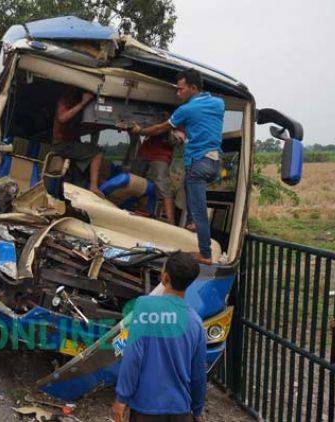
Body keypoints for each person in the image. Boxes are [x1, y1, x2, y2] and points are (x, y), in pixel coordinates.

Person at [129, 69, 224, 264]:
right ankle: (191, 224)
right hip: (214, 163)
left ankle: (205, 254)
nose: (177, 93)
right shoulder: (218, 103)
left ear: (193, 88)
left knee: (199, 212)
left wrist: (140, 130)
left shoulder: (185, 110)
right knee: (188, 186)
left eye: (181, 90)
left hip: (199, 163)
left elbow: (160, 129)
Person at [113, 252, 206, 422]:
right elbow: (198, 373)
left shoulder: (145, 306)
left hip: (146, 409)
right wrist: (197, 410)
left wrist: (122, 398)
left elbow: (133, 356)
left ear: (164, 278)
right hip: (180, 411)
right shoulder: (196, 322)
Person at [130, 111, 183, 224]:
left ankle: (170, 220)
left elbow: (178, 140)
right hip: (144, 153)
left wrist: (166, 125)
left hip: (161, 156)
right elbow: (140, 129)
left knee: (163, 185)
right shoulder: (150, 116)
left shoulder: (179, 118)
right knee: (134, 181)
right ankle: (133, 210)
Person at [51, 86, 105, 197]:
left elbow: (81, 129)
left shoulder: (79, 109)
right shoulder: (66, 100)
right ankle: (93, 187)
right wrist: (82, 103)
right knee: (97, 153)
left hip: (70, 145)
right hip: (62, 145)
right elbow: (62, 118)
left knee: (79, 174)